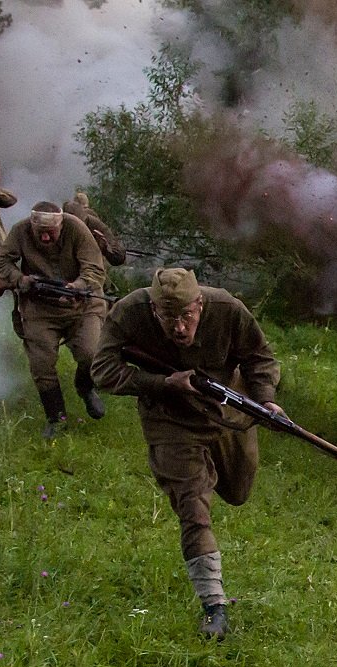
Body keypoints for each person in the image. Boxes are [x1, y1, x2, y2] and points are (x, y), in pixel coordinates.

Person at [91, 268, 282, 640]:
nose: (179, 328)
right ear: (152, 309)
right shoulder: (129, 312)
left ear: (200, 304)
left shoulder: (227, 308)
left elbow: (259, 357)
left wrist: (267, 401)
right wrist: (161, 383)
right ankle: (215, 607)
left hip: (228, 413)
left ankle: (212, 471)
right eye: (168, 318)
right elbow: (103, 371)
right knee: (193, 506)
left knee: (239, 492)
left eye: (186, 316)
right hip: (169, 420)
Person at [0, 201, 109, 438]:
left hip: (82, 304)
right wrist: (19, 279)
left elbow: (95, 269)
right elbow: (1, 260)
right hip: (39, 308)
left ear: (61, 224)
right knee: (41, 364)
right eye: (40, 234)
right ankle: (56, 417)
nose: (45, 239)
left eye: (51, 233)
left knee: (91, 352)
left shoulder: (76, 228)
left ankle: (85, 388)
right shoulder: (20, 230)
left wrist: (78, 286)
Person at [62, 192, 126, 276]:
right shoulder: (58, 224)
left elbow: (119, 256)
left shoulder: (93, 223)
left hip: (91, 276)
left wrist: (105, 249)